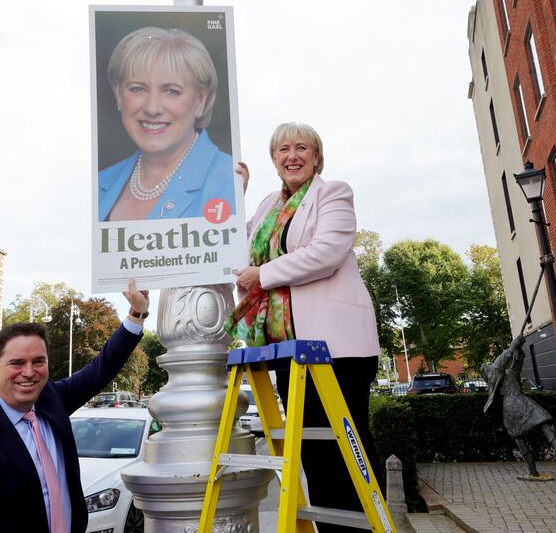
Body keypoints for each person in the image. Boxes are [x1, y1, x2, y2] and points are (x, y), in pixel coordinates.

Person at [226, 122, 382, 532]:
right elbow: (236, 254)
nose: (292, 156)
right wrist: (234, 196)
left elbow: (326, 252)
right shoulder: (263, 207)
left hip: (338, 345)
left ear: (316, 157)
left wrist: (262, 275)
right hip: (286, 345)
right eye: (283, 149)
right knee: (313, 454)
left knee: (348, 449)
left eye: (301, 148)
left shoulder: (333, 193)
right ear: (274, 160)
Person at [0, 280, 150, 533]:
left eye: (38, 361)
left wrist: (136, 314)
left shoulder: (51, 400)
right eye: (17, 363)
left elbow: (102, 369)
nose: (29, 372)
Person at [98, 26, 234, 221]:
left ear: (200, 100)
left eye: (171, 91)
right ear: (118, 94)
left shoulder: (228, 180)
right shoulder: (99, 184)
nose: (152, 108)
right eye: (137, 89)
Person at [481, 334, 556, 479]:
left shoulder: (508, 374)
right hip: (514, 403)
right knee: (537, 424)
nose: (491, 365)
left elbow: (516, 364)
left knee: (534, 427)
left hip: (516, 403)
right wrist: (512, 346)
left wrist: (518, 348)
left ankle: (551, 457)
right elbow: (500, 363)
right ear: (487, 372)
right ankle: (548, 459)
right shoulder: (493, 377)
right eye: (488, 366)